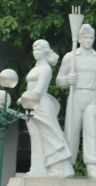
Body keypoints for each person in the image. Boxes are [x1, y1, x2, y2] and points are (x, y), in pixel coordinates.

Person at [55, 24, 96, 180]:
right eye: (85, 37)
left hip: (91, 98)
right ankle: (67, 165)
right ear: (79, 38)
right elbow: (59, 80)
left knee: (92, 132)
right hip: (75, 96)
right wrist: (66, 79)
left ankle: (92, 167)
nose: (88, 40)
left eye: (91, 37)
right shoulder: (70, 57)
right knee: (71, 132)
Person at [20, 39, 73, 178]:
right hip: (30, 105)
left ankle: (58, 168)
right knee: (35, 137)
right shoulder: (35, 68)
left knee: (49, 136)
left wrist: (24, 98)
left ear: (45, 51)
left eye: (38, 49)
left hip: (40, 104)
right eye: (34, 49)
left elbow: (38, 91)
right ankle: (37, 169)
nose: (35, 52)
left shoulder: (46, 69)